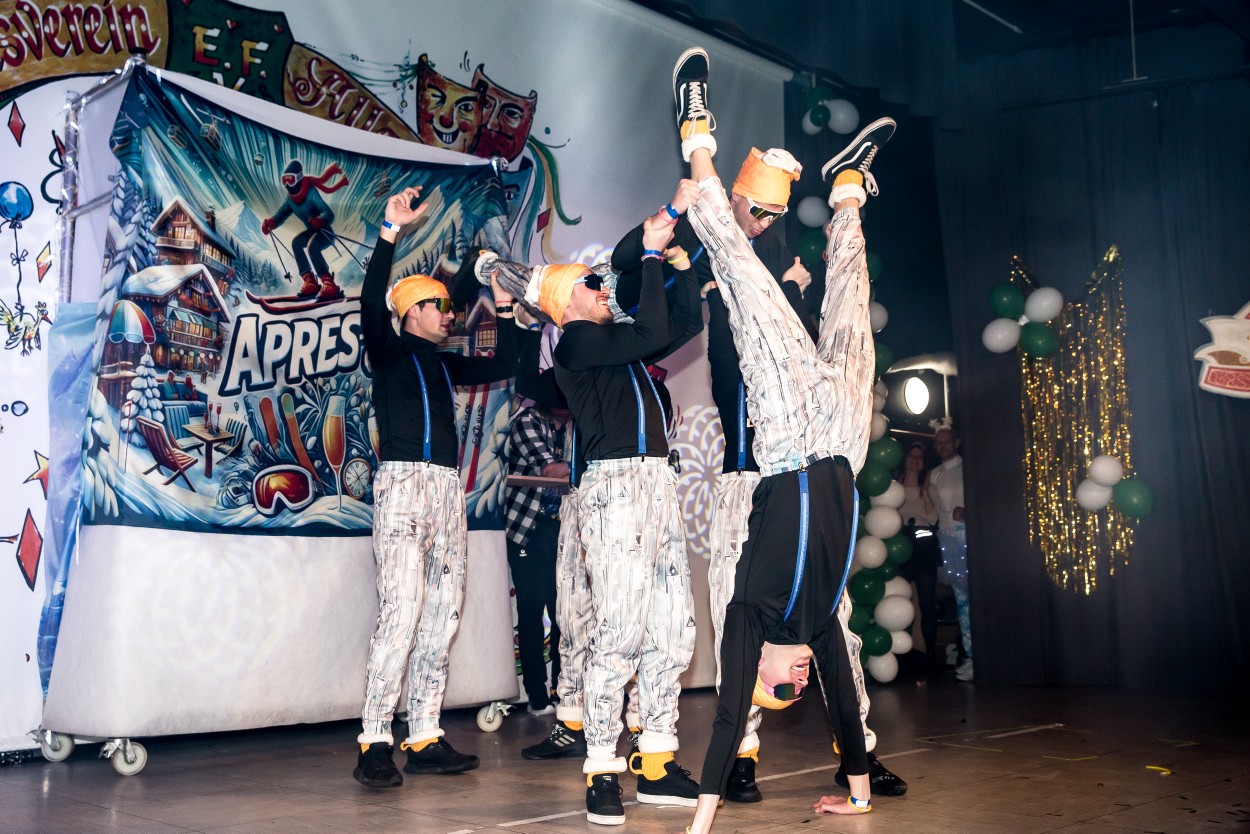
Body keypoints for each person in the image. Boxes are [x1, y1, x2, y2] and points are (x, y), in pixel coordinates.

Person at [671, 47, 896, 830]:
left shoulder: (747, 621)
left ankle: (695, 132)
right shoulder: (821, 625)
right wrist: (857, 796)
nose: (796, 682)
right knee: (851, 300)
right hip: (846, 441)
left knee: (743, 278)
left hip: (790, 436)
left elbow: (726, 718)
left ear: (759, 667)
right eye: (798, 688)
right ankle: (847, 186)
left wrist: (701, 822)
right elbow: (844, 711)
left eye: (780, 686)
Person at [533, 186, 703, 826]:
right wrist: (651, 256)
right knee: (619, 633)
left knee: (673, 629)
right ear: (565, 304)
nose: (602, 288)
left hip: (657, 484)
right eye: (590, 284)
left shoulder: (619, 345)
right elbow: (654, 327)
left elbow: (683, 325)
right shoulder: (577, 344)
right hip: (614, 490)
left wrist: (678, 264)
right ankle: (602, 765)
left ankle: (655, 760)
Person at [352, 186, 517, 788]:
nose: (449, 315)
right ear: (410, 313)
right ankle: (374, 739)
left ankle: (423, 733)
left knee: (443, 615)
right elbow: (371, 299)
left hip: (447, 492)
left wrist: (504, 308)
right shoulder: (389, 352)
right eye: (439, 307)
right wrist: (389, 231)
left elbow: (508, 363)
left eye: (450, 308)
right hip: (402, 487)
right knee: (400, 613)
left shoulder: (444, 363)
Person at [504, 397, 571, 715]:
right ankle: (537, 695)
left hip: (563, 531)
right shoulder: (528, 421)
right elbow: (552, 470)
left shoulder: (574, 428)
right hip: (528, 530)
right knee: (531, 612)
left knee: (565, 614)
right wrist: (583, 465)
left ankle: (562, 690)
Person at [261, 159, 349, 301]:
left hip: (325, 233)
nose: (287, 185)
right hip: (312, 232)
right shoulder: (291, 200)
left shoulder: (311, 193)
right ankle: (310, 281)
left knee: (312, 246)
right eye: (284, 181)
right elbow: (281, 215)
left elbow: (328, 213)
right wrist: (271, 223)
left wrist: (320, 220)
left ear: (299, 177)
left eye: (290, 180)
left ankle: (329, 283)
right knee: (296, 242)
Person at [894, 442, 941, 673]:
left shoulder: (929, 488)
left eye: (919, 457)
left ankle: (930, 655)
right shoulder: (895, 486)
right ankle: (901, 656)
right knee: (899, 601)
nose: (915, 460)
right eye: (911, 456)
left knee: (926, 603)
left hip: (923, 547)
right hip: (899, 547)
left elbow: (933, 519)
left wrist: (925, 490)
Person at [929, 425, 971, 681]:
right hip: (947, 539)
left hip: (968, 538)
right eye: (938, 442)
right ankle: (970, 656)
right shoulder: (934, 474)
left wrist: (968, 512)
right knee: (961, 602)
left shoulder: (969, 467)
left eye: (946, 441)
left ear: (957, 441)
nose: (942, 446)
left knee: (973, 599)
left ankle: (980, 656)